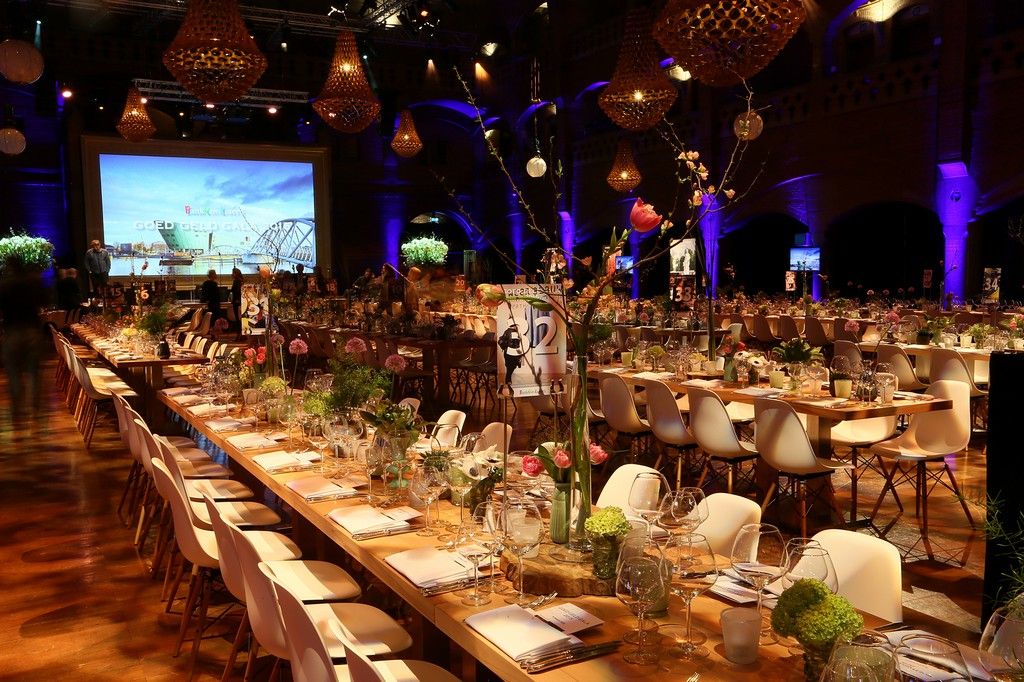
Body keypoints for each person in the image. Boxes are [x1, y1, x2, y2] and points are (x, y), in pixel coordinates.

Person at [1, 256, 47, 432]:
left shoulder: (4, 284)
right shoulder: (32, 283)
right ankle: (35, 411)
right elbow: (45, 301)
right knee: (34, 373)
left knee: (13, 374)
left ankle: (16, 413)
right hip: (32, 331)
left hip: (12, 331)